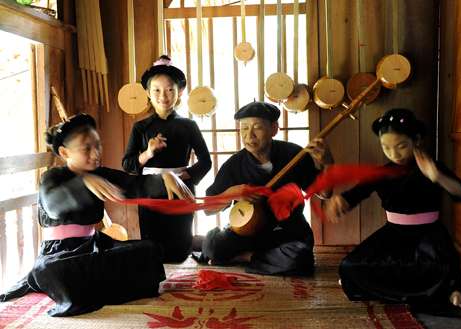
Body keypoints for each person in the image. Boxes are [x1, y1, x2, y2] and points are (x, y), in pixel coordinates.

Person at [0, 113, 194, 316]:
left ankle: (98, 286)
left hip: (93, 246)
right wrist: (82, 183)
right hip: (59, 255)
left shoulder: (101, 174)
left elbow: (135, 184)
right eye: (86, 148)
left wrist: (164, 178)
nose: (95, 153)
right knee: (62, 274)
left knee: (149, 250)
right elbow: (53, 206)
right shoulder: (52, 177)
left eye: (97, 145)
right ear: (65, 152)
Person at [326, 108, 461, 311]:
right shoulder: (382, 172)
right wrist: (341, 201)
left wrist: (437, 177)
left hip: (428, 235)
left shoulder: (432, 167)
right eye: (386, 147)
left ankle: (447, 291)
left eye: (401, 146)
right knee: (349, 267)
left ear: (417, 140)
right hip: (393, 234)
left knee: (439, 268)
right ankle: (437, 292)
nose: (394, 154)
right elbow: (356, 194)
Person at [199, 101, 331, 276]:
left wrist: (327, 163)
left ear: (274, 128)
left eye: (257, 128)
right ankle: (261, 258)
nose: (249, 135)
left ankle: (247, 257)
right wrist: (231, 194)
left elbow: (325, 193)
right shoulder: (234, 165)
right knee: (213, 247)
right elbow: (208, 209)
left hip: (286, 231)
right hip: (248, 233)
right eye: (244, 128)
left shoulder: (294, 155)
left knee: (300, 257)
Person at [122, 55, 211, 263]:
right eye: (157, 90)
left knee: (179, 251)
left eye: (170, 89)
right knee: (152, 251)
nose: (164, 96)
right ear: (148, 93)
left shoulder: (189, 126)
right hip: (150, 193)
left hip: (181, 190)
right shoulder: (140, 127)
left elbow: (206, 162)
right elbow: (127, 164)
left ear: (179, 92)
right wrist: (148, 153)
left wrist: (184, 177)